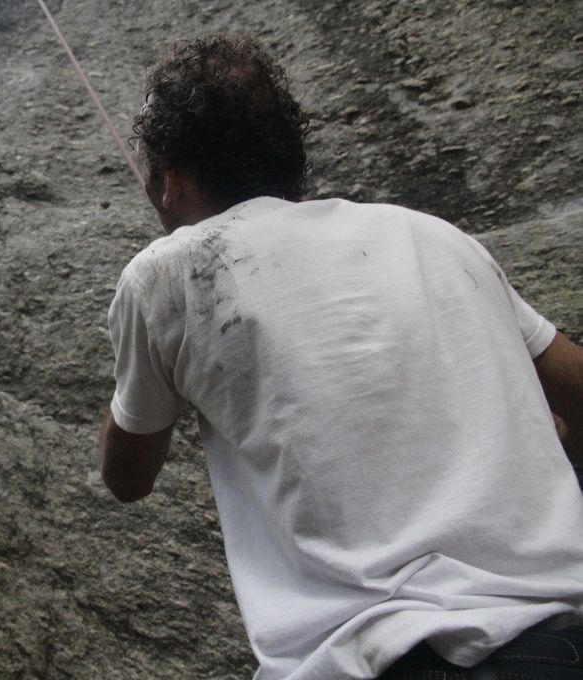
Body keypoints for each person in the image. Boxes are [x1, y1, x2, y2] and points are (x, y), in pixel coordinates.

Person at [100, 34, 583, 680]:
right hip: (556, 640)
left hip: (371, 659)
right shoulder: (434, 236)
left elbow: (126, 477)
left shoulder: (170, 272)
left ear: (171, 181)